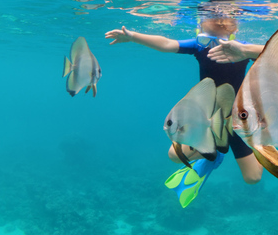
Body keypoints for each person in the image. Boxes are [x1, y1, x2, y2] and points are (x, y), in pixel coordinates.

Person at [105, 18, 264, 183]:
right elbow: (166, 44)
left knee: (252, 178)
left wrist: (246, 50)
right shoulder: (198, 46)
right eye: (206, 39)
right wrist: (132, 37)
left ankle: (260, 145)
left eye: (222, 41)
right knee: (174, 155)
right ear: (199, 31)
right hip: (205, 118)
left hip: (236, 118)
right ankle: (212, 153)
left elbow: (274, 52)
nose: (213, 46)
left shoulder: (241, 49)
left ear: (234, 34)